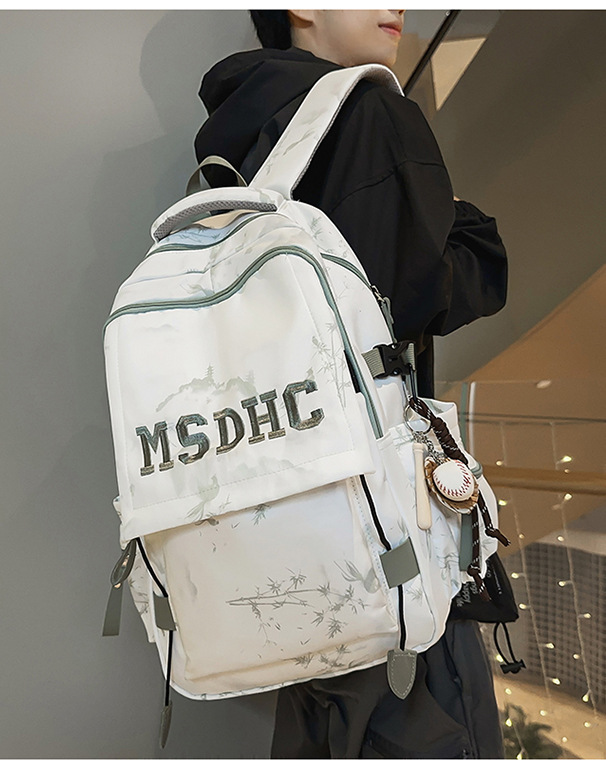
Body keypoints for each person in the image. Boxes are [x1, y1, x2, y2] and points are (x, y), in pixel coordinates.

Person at [193, 10, 509, 759]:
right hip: (385, 523)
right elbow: (422, 289)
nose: (398, 5)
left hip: (276, 527)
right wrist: (467, 228)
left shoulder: (233, 146)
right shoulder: (369, 108)